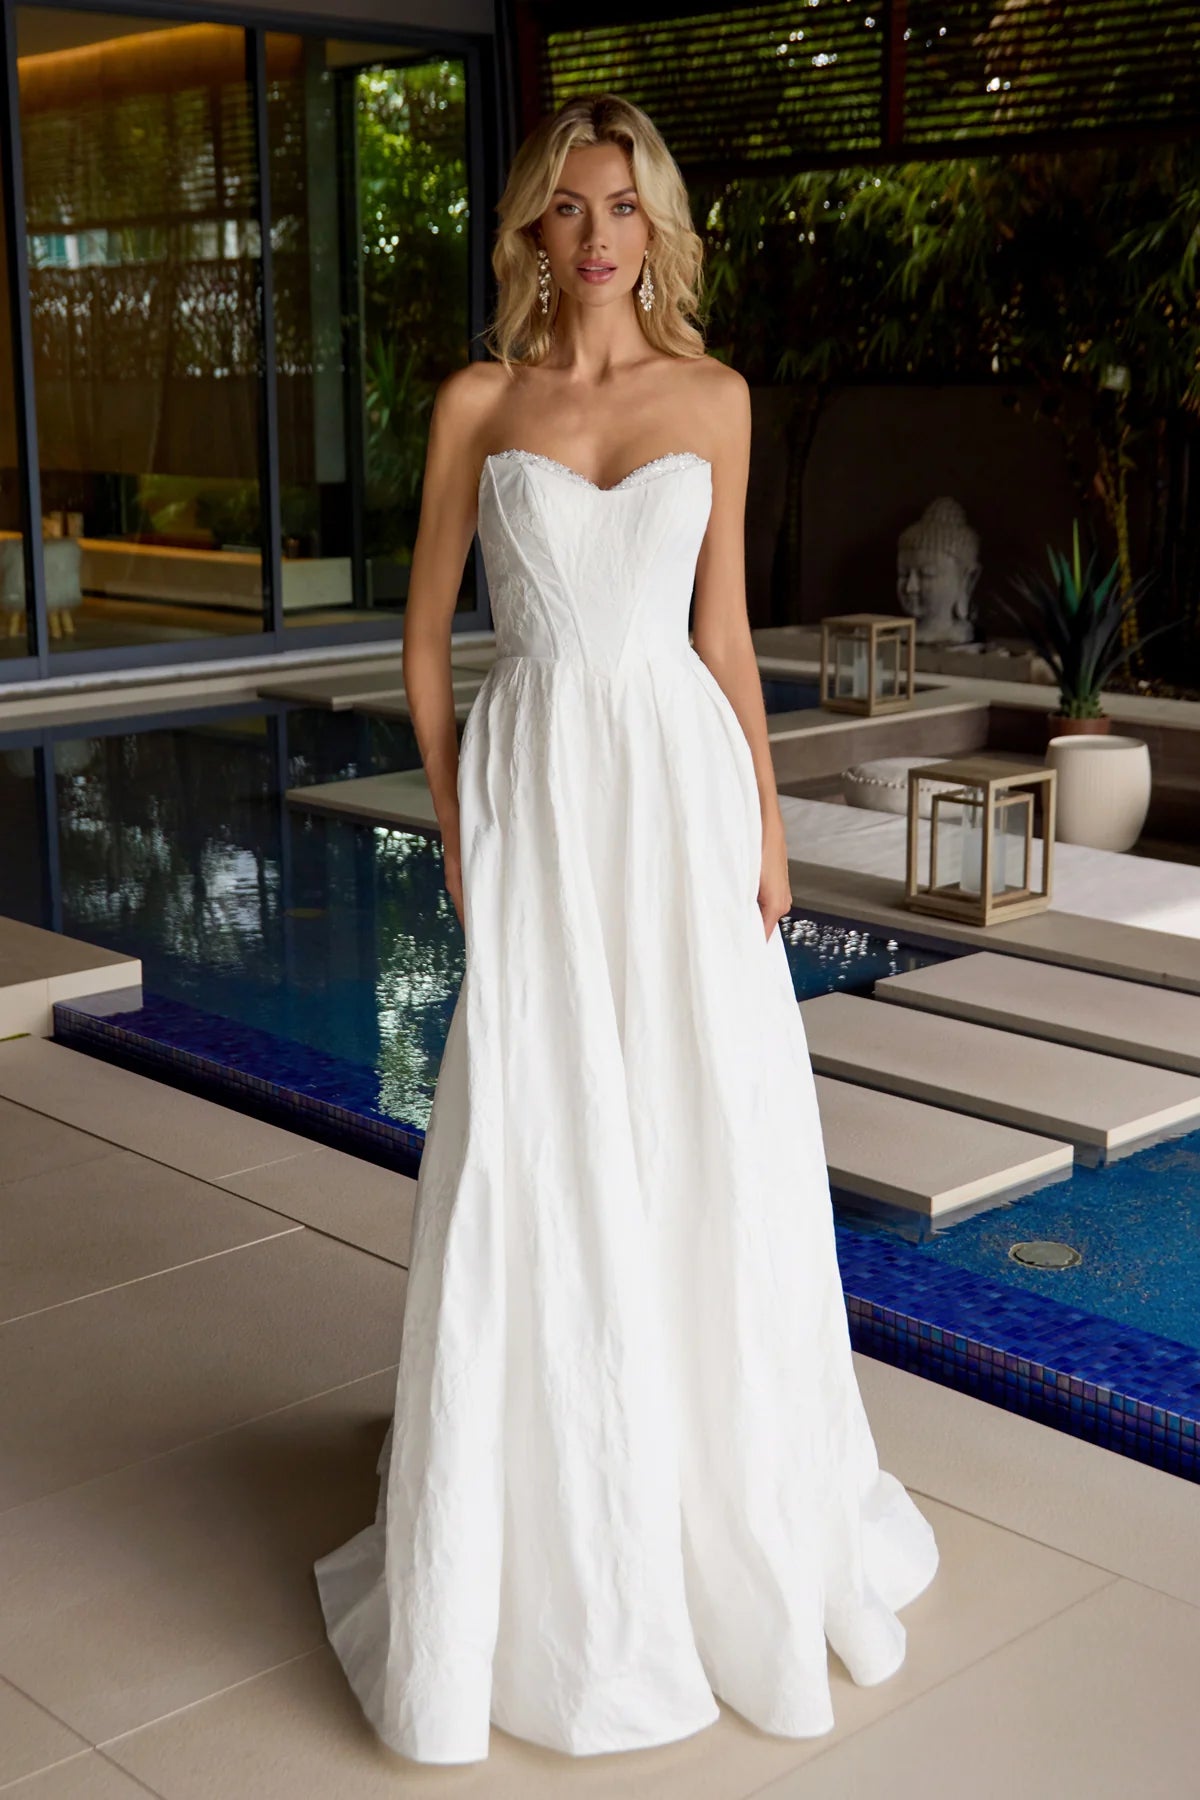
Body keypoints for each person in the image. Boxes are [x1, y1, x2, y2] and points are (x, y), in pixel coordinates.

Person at [313, 90, 939, 1768]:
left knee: (702, 1124)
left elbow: (724, 637)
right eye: (571, 208)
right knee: (541, 1132)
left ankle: (714, 1494)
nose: (597, 235)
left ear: (654, 225)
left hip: (672, 795)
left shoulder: (717, 401)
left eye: (624, 206)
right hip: (536, 801)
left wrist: (766, 824)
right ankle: (546, 1520)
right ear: (534, 228)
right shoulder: (479, 400)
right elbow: (428, 642)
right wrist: (453, 814)